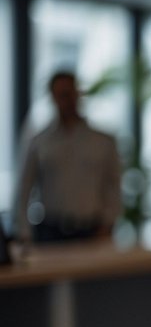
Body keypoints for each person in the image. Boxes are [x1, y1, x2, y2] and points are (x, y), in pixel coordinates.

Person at [14, 71, 122, 243]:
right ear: (53, 98)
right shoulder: (39, 142)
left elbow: (114, 186)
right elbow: (24, 189)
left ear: (78, 93)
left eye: (70, 93)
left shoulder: (102, 141)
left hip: (92, 230)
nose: (67, 100)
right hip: (51, 232)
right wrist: (23, 231)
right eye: (61, 95)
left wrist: (109, 223)